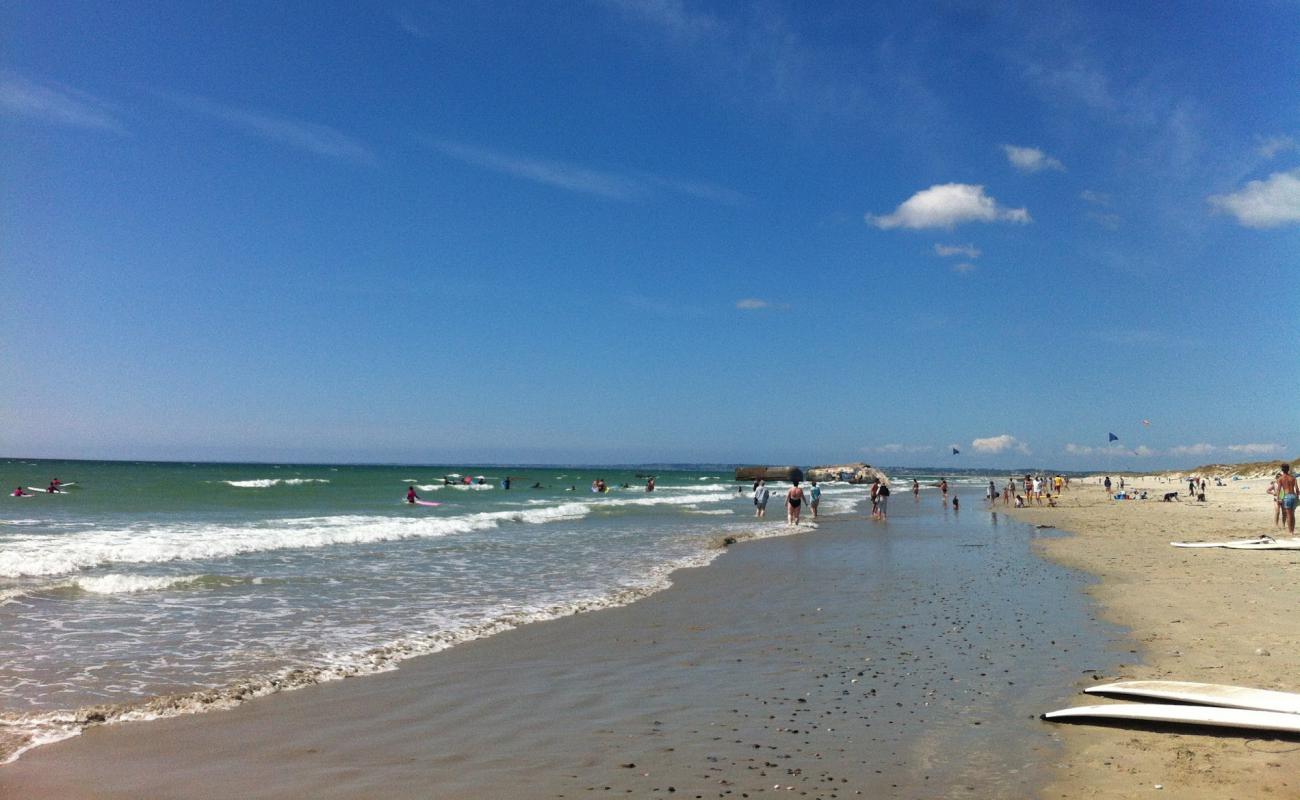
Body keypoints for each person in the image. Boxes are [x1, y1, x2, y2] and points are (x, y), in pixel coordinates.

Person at [1277, 463, 1298, 535]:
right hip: (1293, 496)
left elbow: (1279, 490)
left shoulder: (1280, 478)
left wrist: (1278, 498)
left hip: (1287, 496)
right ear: (1288, 469)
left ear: (1282, 470)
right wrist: (1297, 497)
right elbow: (1297, 490)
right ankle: (1293, 530)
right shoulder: (1293, 478)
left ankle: (1290, 532)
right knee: (1293, 514)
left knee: (1289, 515)